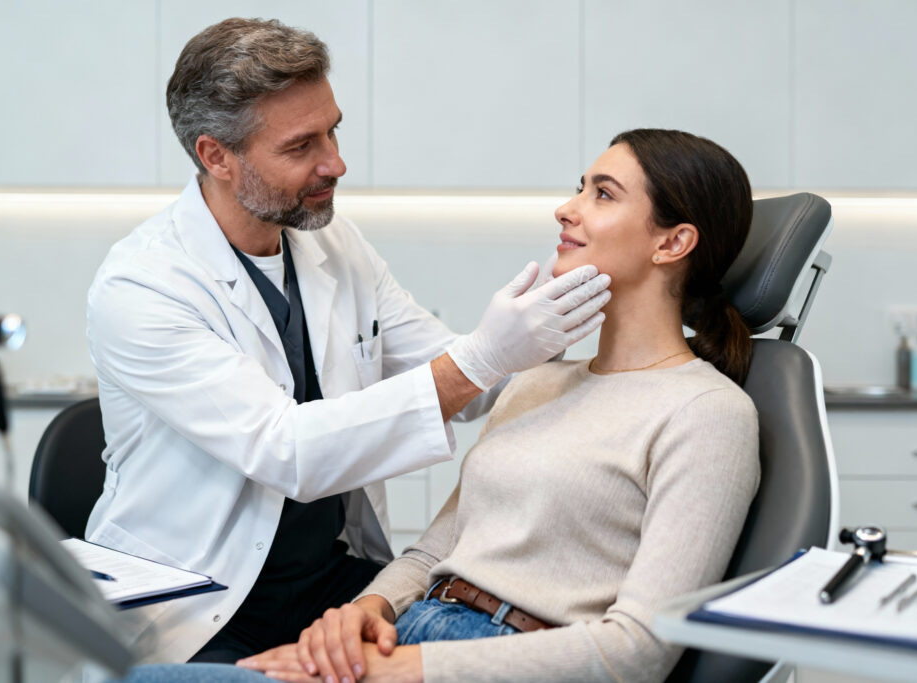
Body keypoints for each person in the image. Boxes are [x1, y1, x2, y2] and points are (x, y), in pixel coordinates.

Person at [85, 17, 610, 667]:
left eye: (333, 129)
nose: (335, 162)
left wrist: (577, 347)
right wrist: (486, 355)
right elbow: (288, 450)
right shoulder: (143, 285)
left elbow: (467, 383)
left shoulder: (333, 243)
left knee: (474, 642)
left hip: (329, 582)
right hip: (197, 602)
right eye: (302, 145)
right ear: (216, 155)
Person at [212, 127, 759, 683]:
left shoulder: (707, 412)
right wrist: (362, 614)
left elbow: (638, 650)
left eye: (603, 194)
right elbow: (432, 556)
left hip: (504, 658)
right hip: (411, 629)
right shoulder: (534, 381)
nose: (565, 210)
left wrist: (411, 668)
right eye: (579, 188)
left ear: (672, 243)